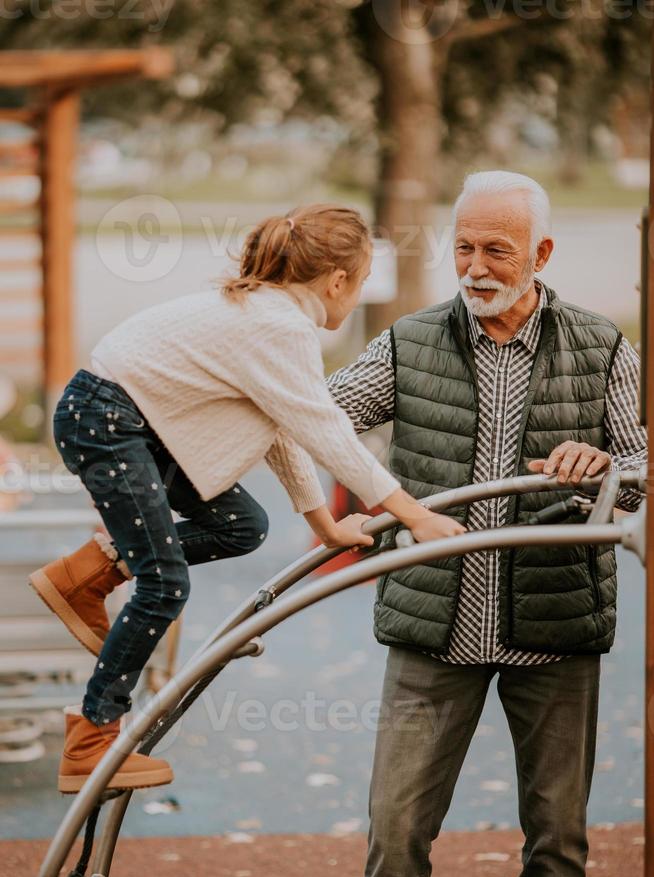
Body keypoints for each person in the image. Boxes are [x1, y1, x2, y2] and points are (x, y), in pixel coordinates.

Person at [324, 172, 647, 877]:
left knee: (558, 838)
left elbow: (640, 471)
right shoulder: (409, 341)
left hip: (556, 628)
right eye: (462, 246)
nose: (473, 266)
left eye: (495, 249)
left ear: (540, 253)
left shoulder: (602, 344)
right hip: (434, 630)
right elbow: (321, 419)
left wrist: (605, 464)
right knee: (395, 834)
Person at [30, 204, 464, 795]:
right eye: (359, 285)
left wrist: (326, 525)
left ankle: (91, 571)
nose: (356, 298)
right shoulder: (279, 326)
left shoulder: (270, 317)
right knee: (165, 583)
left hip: (129, 420)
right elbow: (328, 433)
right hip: (108, 420)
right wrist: (415, 514)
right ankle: (92, 738)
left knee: (242, 523)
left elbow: (282, 429)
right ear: (338, 281)